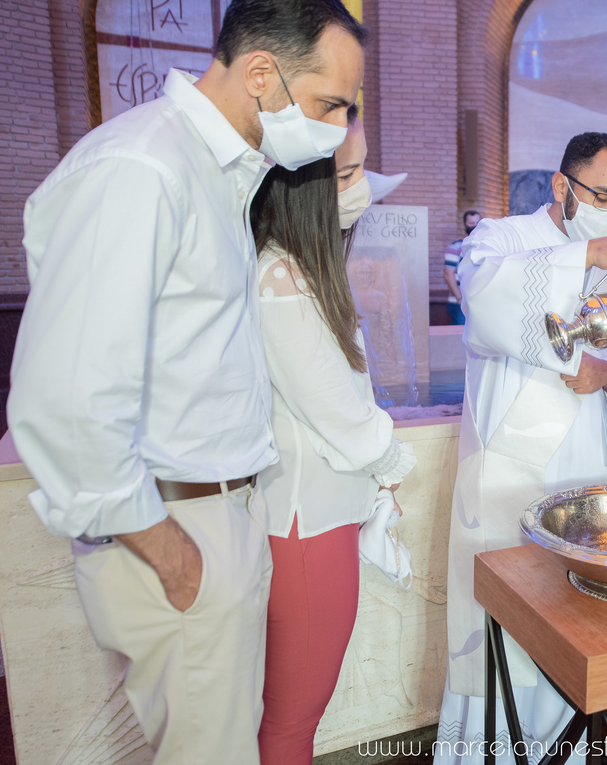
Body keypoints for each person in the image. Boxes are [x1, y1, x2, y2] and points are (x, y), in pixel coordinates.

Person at [6, 0, 366, 763]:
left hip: (218, 514)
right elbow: (65, 394)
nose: (340, 130)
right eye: (330, 104)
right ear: (262, 73)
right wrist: (169, 548)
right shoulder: (143, 167)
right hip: (177, 523)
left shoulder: (220, 176)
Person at [436, 132, 607, 762]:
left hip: (584, 469)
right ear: (562, 186)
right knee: (500, 638)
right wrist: (583, 257)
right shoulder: (500, 239)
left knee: (568, 635)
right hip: (508, 475)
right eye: (602, 196)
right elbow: (483, 302)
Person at [252, 111, 416, 764]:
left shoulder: (297, 271)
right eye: (348, 173)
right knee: (292, 723)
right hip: (305, 528)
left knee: (287, 719)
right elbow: (343, 416)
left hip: (309, 522)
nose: (363, 187)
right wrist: (390, 460)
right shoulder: (281, 281)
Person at [444, 209, 482, 324]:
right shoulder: (454, 247)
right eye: (471, 223)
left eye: (478, 223)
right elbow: (448, 274)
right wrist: (460, 298)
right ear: (464, 224)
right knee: (459, 338)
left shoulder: (483, 246)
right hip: (459, 303)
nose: (475, 226)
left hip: (478, 303)